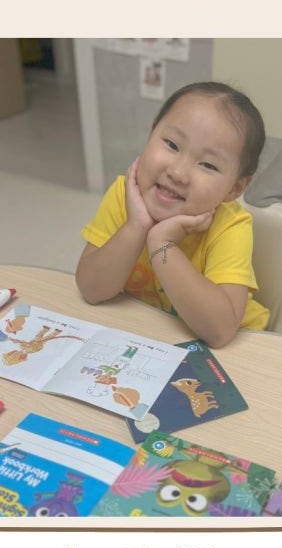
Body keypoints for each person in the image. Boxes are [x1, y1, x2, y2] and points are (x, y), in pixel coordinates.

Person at [76, 81, 271, 348]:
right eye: (171, 144)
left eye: (208, 165)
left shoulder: (230, 226)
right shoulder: (124, 196)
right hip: (153, 339)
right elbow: (91, 289)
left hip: (241, 350)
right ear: (151, 133)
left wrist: (162, 244)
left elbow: (219, 332)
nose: (178, 173)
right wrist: (136, 226)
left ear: (235, 188)